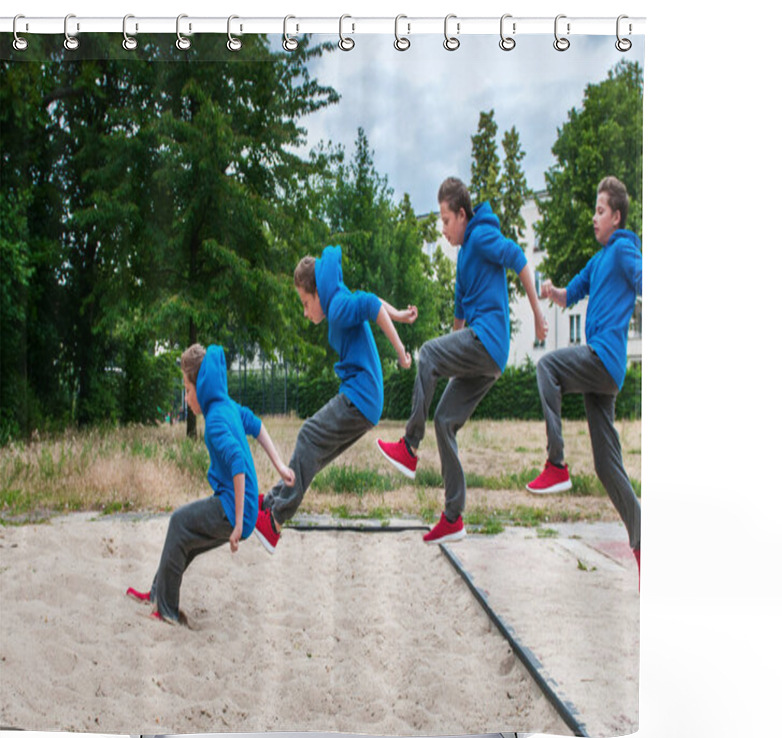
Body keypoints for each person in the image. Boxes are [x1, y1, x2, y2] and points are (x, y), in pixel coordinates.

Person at [377, 177, 548, 544]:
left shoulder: (481, 237)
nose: (443, 229)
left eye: (445, 219)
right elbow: (458, 316)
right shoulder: (463, 257)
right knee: (444, 420)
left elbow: (518, 258)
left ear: (462, 215)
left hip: (488, 341)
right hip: (485, 355)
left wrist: (536, 313)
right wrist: (449, 347)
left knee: (429, 354)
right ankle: (453, 517)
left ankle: (409, 447)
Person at [254, 244, 416, 553]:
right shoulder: (338, 297)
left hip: (360, 396)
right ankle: (273, 502)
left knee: (308, 436)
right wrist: (399, 315)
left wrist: (399, 350)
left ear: (317, 292)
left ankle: (273, 521)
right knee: (311, 453)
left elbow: (369, 304)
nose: (305, 312)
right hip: (363, 400)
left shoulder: (337, 303)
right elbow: (372, 301)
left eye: (305, 303)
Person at [126, 343, 294, 624]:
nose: (186, 396)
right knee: (184, 538)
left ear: (201, 387)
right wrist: (279, 464)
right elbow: (256, 424)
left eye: (188, 390)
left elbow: (238, 463)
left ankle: (165, 611)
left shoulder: (215, 420)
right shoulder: (227, 406)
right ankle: (158, 594)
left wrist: (239, 523)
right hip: (242, 508)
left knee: (179, 523)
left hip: (236, 510)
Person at [527, 176, 642, 581]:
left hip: (603, 360)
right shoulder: (598, 261)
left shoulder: (625, 250)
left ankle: (556, 463)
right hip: (602, 375)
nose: (594, 218)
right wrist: (550, 291)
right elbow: (569, 294)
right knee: (607, 466)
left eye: (599, 211)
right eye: (594, 210)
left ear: (616, 216)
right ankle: (644, 543)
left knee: (548, 367)